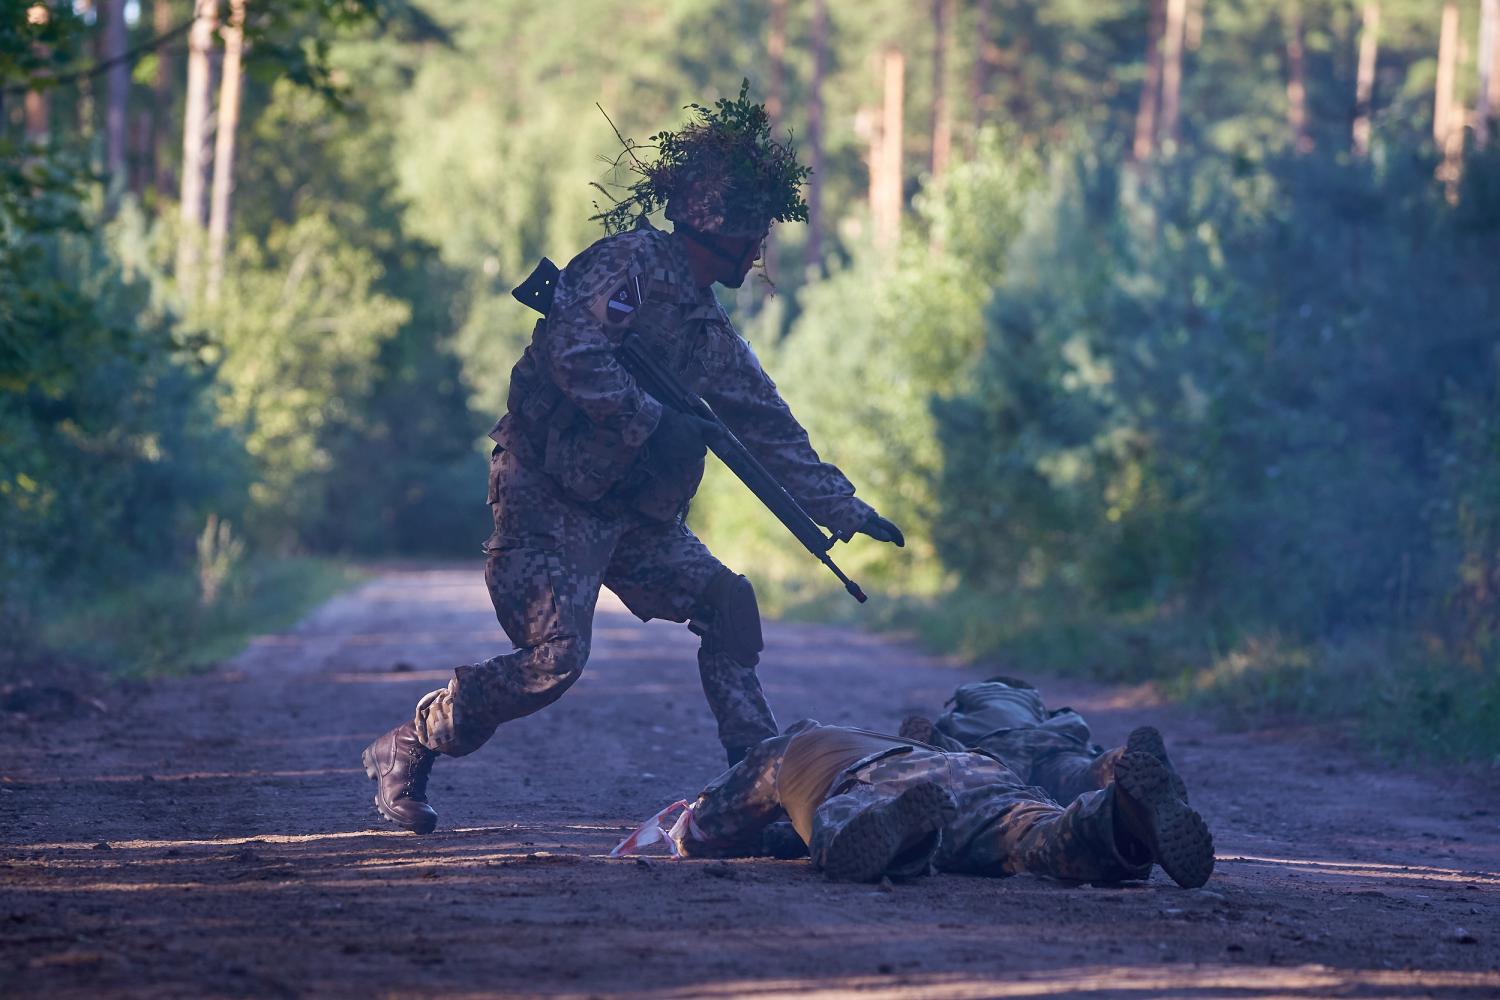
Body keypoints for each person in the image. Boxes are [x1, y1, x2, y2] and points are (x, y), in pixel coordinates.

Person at [361, 85, 903, 834]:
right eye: (750, 236)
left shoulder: (706, 331)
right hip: (548, 495)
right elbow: (569, 350)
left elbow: (769, 427)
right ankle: (413, 744)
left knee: (727, 604)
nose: (757, 250)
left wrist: (845, 510)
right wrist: (654, 421)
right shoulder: (628, 267)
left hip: (630, 512)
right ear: (712, 229)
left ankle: (758, 780)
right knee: (553, 662)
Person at [661, 719, 1215, 888]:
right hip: (975, 769)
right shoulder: (876, 737)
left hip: (881, 780)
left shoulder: (786, 754)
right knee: (1038, 833)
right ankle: (1121, 816)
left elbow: (713, 827)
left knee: (844, 816)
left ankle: (903, 835)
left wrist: (685, 834)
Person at [897, 675, 1189, 806]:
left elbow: (955, 743)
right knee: (1082, 775)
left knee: (983, 773)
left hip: (998, 745)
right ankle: (1120, 760)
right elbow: (1086, 744)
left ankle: (929, 744)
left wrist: (934, 737)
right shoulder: (1047, 715)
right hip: (1055, 743)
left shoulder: (966, 708)